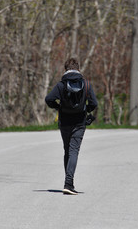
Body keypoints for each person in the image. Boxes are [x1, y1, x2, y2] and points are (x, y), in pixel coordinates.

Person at [45, 58, 98, 195]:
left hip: (65, 122)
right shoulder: (86, 84)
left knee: (67, 151)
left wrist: (59, 107)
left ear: (65, 69)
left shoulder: (61, 85)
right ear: (78, 68)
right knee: (74, 151)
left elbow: (48, 99)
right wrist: (86, 110)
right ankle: (68, 183)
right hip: (80, 123)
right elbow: (94, 103)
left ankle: (68, 183)